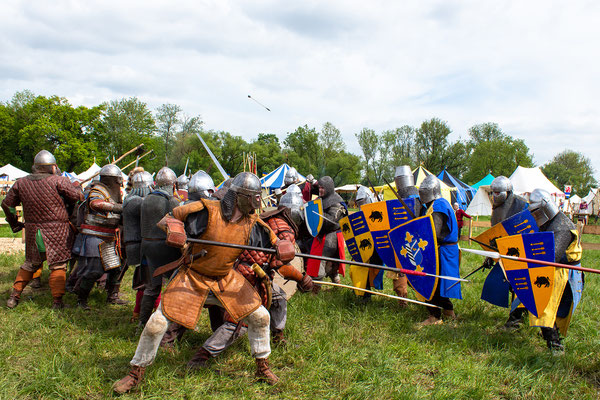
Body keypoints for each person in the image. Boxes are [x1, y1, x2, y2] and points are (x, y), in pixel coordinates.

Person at [112, 172, 295, 393]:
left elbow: (275, 242)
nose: (258, 202)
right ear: (240, 196)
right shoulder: (206, 211)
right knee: (157, 323)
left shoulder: (251, 224)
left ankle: (262, 367)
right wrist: (176, 230)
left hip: (225, 279)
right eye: (254, 197)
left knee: (260, 316)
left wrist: (283, 247)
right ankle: (135, 373)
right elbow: (169, 218)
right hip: (193, 276)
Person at [185, 200, 313, 368]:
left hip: (240, 270)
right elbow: (281, 265)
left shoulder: (268, 219)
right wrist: (302, 278)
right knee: (239, 323)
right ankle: (201, 358)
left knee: (278, 297)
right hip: (248, 276)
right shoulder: (285, 231)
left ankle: (277, 337)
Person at [3, 150, 83, 309]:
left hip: (34, 230)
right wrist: (76, 186)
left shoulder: (21, 182)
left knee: (30, 264)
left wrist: (14, 223)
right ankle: (57, 302)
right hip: (57, 230)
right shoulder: (59, 181)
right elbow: (77, 197)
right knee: (58, 266)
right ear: (52, 167)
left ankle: (14, 297)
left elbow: (7, 204)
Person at [528, 189, 584, 353]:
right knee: (543, 307)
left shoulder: (562, 227)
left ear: (546, 207)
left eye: (536, 211)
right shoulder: (549, 223)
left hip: (564, 272)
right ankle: (549, 335)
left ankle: (556, 346)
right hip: (553, 269)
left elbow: (553, 256)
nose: (535, 215)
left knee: (546, 308)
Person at [72, 164, 125, 309]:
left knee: (116, 269)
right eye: (119, 180)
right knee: (93, 271)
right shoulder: (98, 189)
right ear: (113, 180)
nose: (120, 183)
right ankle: (81, 300)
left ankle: (112, 296)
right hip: (94, 236)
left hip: (108, 237)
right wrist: (118, 208)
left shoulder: (114, 193)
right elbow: (95, 203)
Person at [137, 167, 181, 328]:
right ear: (173, 185)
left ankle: (142, 323)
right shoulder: (171, 201)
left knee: (151, 287)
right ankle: (171, 323)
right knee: (175, 286)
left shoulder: (145, 199)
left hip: (147, 246)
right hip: (165, 248)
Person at [485, 176, 529, 329]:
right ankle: (520, 314)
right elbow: (495, 234)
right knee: (510, 284)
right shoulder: (497, 208)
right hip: (505, 252)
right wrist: (489, 254)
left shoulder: (522, 206)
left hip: (521, 252)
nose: (495, 196)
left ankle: (515, 320)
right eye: (493, 192)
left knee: (520, 285)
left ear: (508, 192)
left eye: (498, 193)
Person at [418, 175, 461, 325]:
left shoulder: (439, 206)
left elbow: (433, 232)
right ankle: (449, 312)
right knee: (439, 282)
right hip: (442, 250)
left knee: (431, 282)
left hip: (441, 251)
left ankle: (434, 316)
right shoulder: (437, 204)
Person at [305, 176, 348, 291]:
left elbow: (331, 221)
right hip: (322, 234)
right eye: (319, 187)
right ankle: (336, 286)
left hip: (331, 235)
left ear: (329, 188)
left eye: (323, 188)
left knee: (320, 261)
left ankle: (316, 290)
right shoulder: (320, 199)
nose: (320, 190)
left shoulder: (337, 203)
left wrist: (318, 213)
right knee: (331, 264)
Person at [123, 170, 154, 320]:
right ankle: (140, 314)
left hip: (139, 244)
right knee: (147, 283)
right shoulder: (136, 201)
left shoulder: (130, 199)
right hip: (139, 245)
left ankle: (139, 313)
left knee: (145, 282)